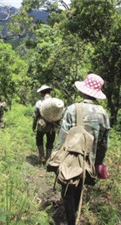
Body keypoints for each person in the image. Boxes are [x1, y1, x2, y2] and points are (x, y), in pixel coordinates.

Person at [58, 74, 110, 225]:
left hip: (70, 161)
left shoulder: (72, 109)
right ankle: (74, 216)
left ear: (83, 91)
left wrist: (58, 158)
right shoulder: (103, 114)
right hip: (89, 162)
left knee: (67, 193)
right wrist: (98, 163)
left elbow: (62, 139)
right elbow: (103, 144)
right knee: (79, 190)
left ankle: (71, 220)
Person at [32, 85, 58, 163]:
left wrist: (33, 125)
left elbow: (35, 115)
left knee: (39, 140)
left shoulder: (39, 103)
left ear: (42, 93)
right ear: (49, 92)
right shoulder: (55, 102)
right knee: (50, 142)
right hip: (52, 126)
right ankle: (48, 158)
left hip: (41, 126)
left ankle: (41, 157)